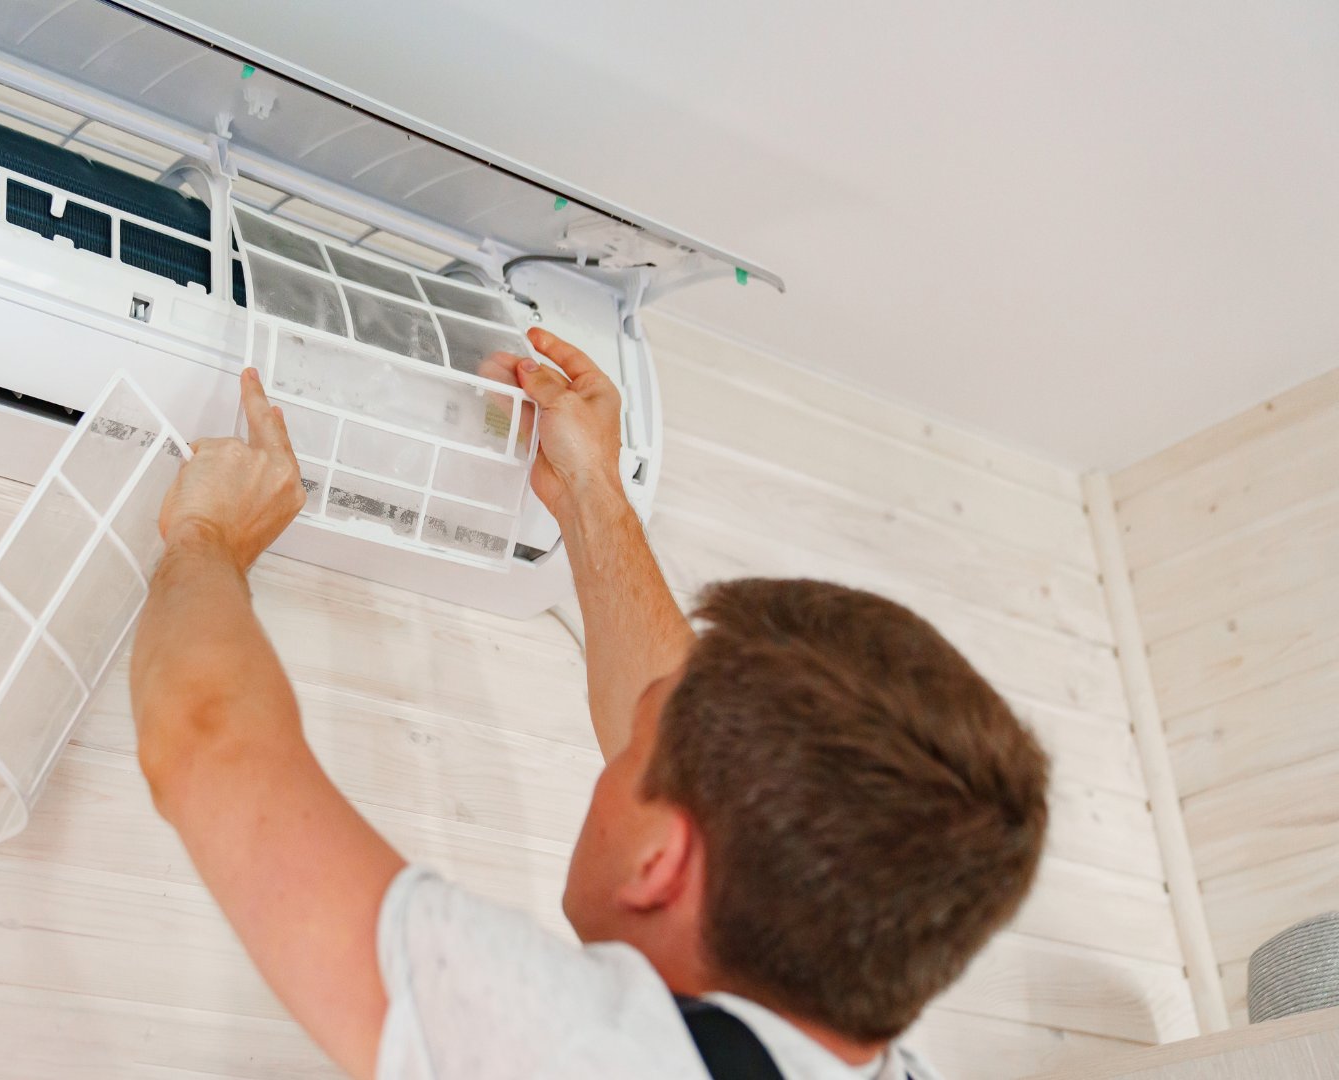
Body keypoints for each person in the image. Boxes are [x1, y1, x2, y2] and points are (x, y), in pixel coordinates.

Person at [127, 328, 1051, 1080]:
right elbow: (707, 760)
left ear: (662, 864)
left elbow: (207, 745)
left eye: (631, 754)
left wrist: (207, 533)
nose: (619, 749)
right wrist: (591, 493)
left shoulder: (590, 1059)